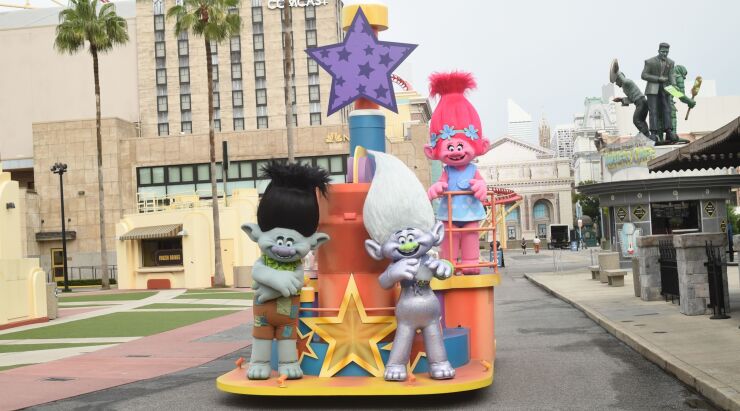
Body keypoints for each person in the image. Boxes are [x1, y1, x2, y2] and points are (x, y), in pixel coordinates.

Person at [641, 42, 677, 142]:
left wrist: (674, 85)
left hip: (665, 88)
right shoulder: (650, 62)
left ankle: (669, 131)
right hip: (652, 89)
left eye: (666, 52)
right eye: (662, 52)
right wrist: (657, 79)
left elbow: (671, 75)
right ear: (658, 51)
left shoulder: (671, 62)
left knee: (667, 109)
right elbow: (644, 75)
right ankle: (653, 133)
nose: (664, 54)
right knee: (653, 111)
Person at [612, 72, 651, 140]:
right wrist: (621, 100)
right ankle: (646, 135)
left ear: (619, 79)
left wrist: (616, 72)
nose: (616, 84)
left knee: (636, 120)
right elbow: (632, 98)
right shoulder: (625, 86)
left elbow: (624, 80)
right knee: (641, 120)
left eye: (616, 81)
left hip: (641, 102)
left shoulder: (626, 82)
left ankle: (645, 135)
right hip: (641, 102)